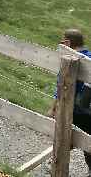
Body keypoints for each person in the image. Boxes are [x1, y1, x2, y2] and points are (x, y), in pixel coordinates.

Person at [48, 28, 91, 173]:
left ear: (67, 42)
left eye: (62, 41)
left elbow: (62, 87)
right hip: (86, 110)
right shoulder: (89, 58)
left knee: (66, 136)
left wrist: (54, 108)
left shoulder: (70, 59)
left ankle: (58, 166)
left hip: (75, 110)